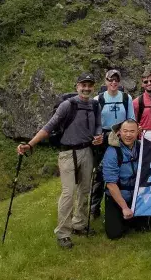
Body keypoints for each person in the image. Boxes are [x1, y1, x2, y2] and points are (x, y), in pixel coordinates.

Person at [17, 73, 103, 249]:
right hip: (67, 153)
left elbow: (98, 126)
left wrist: (99, 136)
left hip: (87, 151)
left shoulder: (95, 105)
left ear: (93, 87)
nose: (86, 88)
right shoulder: (67, 105)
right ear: (77, 86)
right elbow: (49, 127)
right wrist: (30, 144)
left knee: (84, 190)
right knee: (68, 193)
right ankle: (63, 233)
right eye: (83, 85)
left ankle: (79, 224)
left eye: (89, 85)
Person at [90, 70, 135, 219]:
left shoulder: (125, 98)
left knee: (121, 171)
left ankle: (119, 204)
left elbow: (131, 119)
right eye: (110, 80)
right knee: (98, 175)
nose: (113, 83)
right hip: (103, 139)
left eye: (116, 80)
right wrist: (97, 137)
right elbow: (94, 122)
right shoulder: (98, 99)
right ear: (106, 81)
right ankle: (93, 209)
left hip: (121, 138)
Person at [103, 119, 150, 239]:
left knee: (143, 228)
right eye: (125, 131)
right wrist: (124, 207)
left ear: (138, 132)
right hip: (117, 195)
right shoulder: (112, 151)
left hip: (137, 196)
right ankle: (120, 214)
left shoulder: (142, 147)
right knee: (114, 234)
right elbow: (111, 184)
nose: (128, 135)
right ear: (119, 132)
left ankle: (132, 218)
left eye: (132, 131)